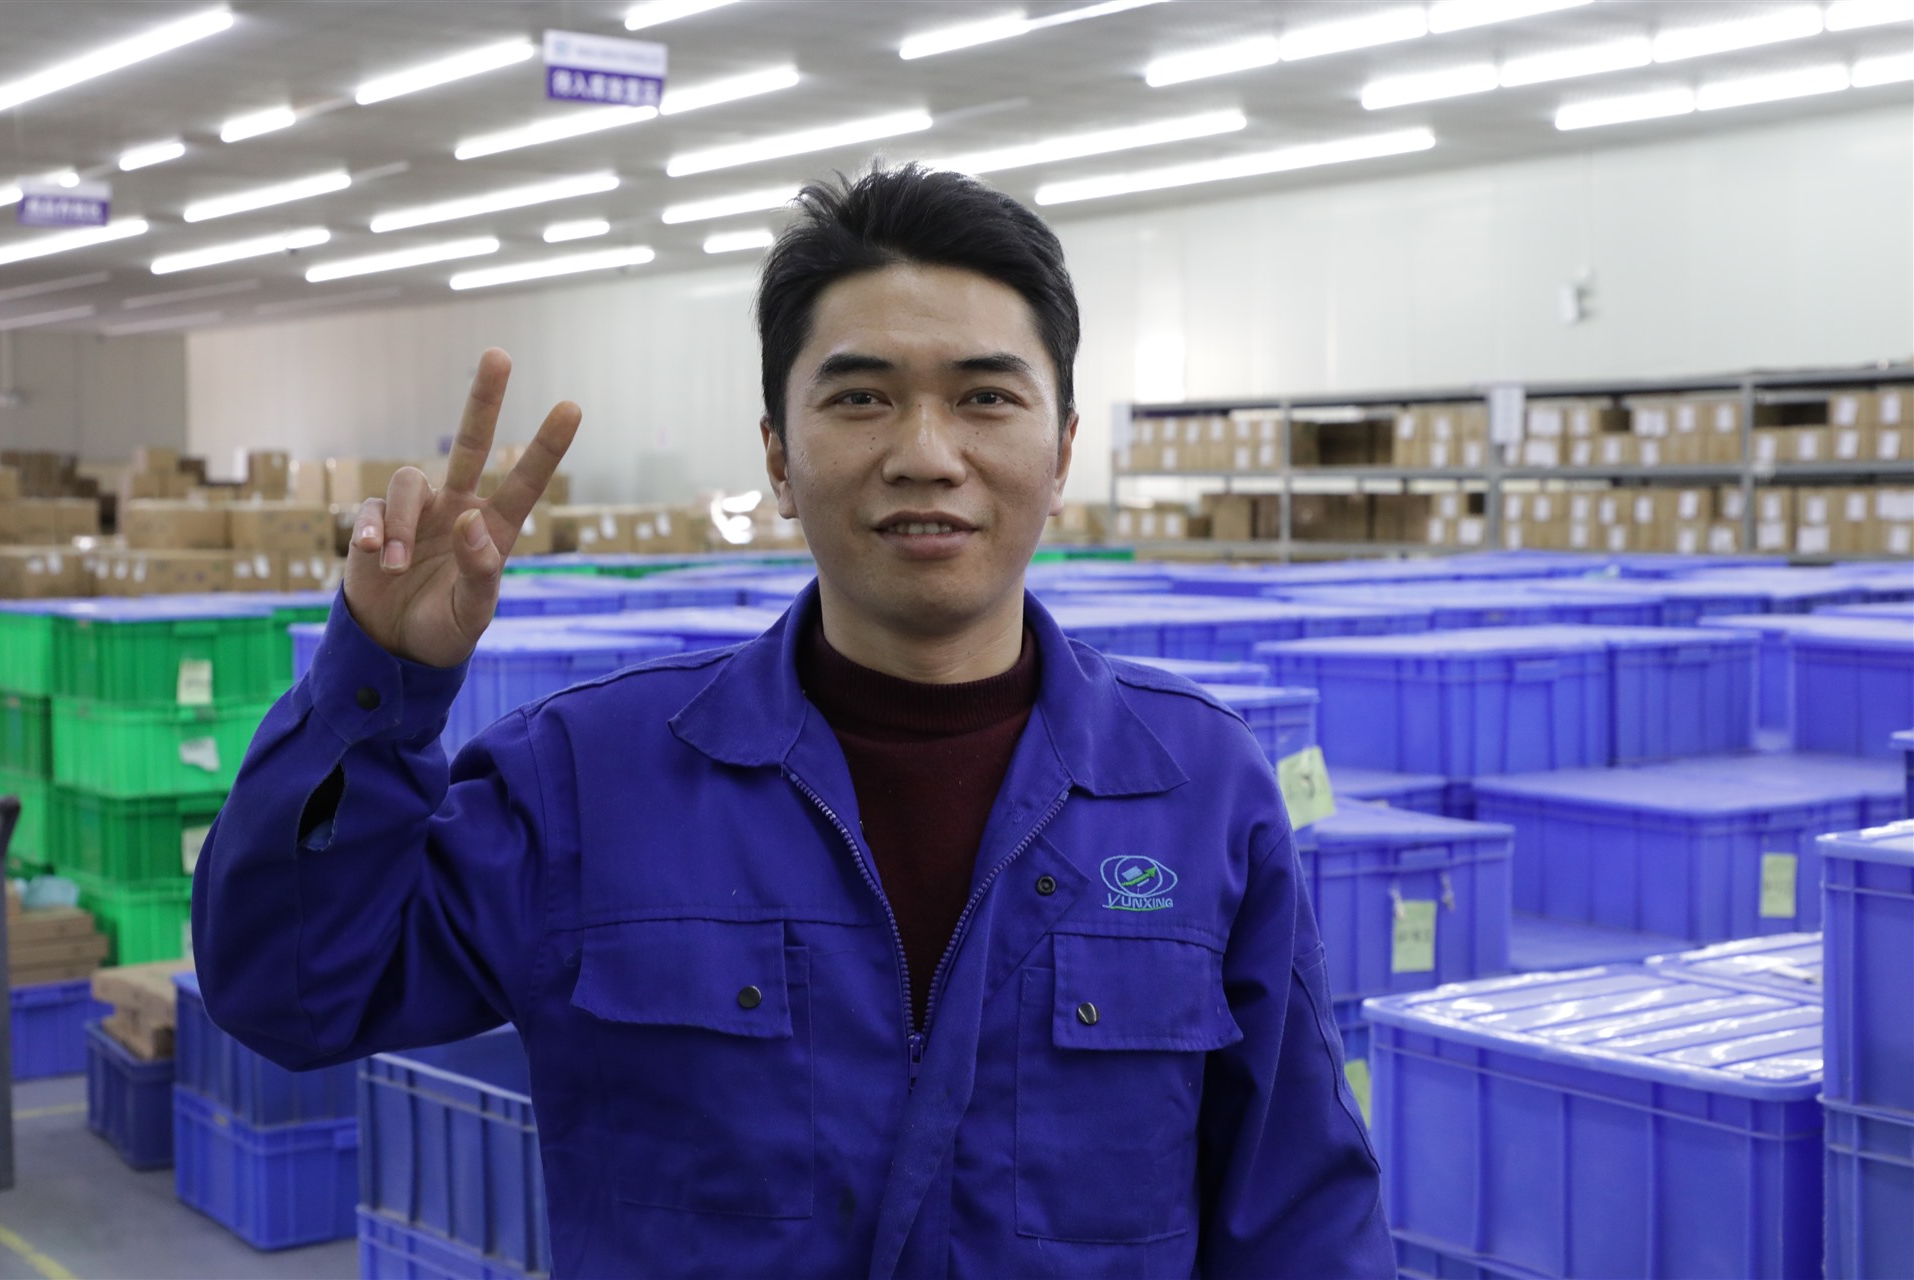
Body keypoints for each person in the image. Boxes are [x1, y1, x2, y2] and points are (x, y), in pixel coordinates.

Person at [194, 164, 1391, 1278]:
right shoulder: (587, 780)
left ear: (1064, 448)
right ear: (776, 455)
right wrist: (381, 679)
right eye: (861, 397)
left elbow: (1298, 1211)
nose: (926, 454)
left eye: (985, 397)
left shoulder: (1199, 787)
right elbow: (291, 988)